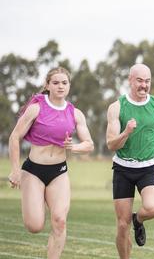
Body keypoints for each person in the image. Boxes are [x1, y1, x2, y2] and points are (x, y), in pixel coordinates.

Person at [7, 67, 94, 259]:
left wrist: (74, 147)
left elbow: (89, 144)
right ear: (47, 85)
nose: (60, 86)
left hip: (59, 172)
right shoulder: (36, 108)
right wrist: (14, 171)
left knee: (59, 221)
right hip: (33, 171)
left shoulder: (75, 113)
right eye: (55, 83)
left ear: (69, 85)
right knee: (35, 226)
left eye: (64, 83)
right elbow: (14, 137)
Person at [106, 63, 154, 259]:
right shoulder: (117, 107)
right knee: (121, 224)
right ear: (130, 80)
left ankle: (138, 219)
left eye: (147, 81)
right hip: (123, 168)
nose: (144, 85)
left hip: (148, 168)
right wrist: (126, 132)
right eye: (139, 81)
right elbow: (111, 144)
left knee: (152, 208)